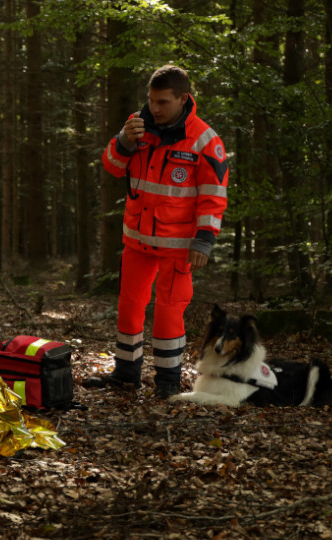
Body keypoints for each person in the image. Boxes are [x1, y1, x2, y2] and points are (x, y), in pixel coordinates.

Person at [87, 65, 228, 398]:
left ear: (182, 99)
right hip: (137, 241)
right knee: (129, 306)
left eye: (163, 102)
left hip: (178, 247)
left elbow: (213, 196)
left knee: (168, 311)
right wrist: (123, 141)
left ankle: (167, 384)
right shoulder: (137, 127)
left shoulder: (205, 140)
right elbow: (110, 165)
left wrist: (204, 240)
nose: (155, 108)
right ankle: (125, 376)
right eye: (151, 100)